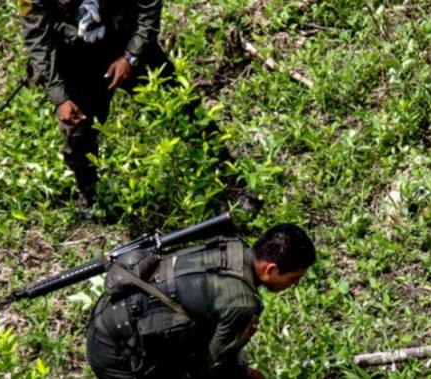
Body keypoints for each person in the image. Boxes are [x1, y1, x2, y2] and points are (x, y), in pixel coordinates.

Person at [85, 224, 317, 378]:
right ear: (270, 269)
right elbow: (214, 368)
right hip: (117, 350)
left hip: (113, 315)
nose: (294, 285)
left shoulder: (231, 245)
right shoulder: (242, 303)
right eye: (293, 278)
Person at [20, 0, 174, 219]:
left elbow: (149, 6)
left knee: (179, 102)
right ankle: (91, 197)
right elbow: (37, 37)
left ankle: (224, 172)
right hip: (76, 56)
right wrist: (59, 96)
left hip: (126, 39)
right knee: (77, 133)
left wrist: (132, 55)